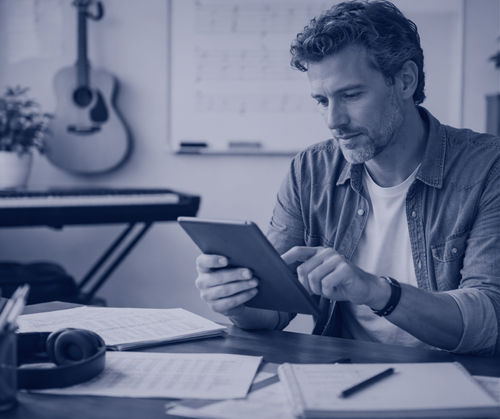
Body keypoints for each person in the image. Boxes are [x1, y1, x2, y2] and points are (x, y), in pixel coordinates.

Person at [195, 0, 500, 356]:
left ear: (405, 80)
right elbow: (275, 308)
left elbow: (490, 319)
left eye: (351, 95)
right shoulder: (310, 171)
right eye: (322, 101)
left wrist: (376, 291)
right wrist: (236, 301)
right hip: (340, 376)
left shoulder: (487, 168)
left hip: (459, 381)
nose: (333, 121)